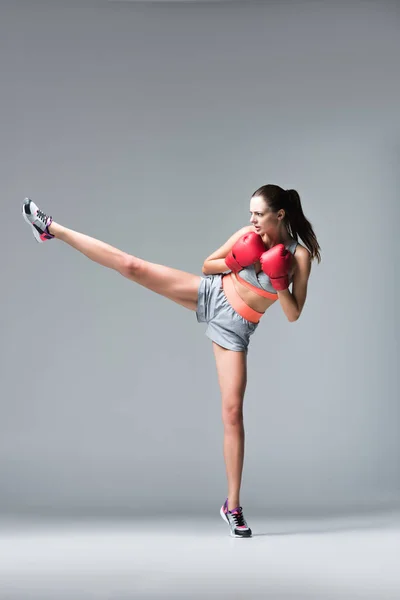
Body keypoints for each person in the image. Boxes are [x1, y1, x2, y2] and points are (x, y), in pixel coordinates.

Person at [22, 184, 321, 538]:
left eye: (258, 214)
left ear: (279, 215)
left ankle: (233, 507)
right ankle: (50, 228)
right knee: (132, 266)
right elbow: (208, 265)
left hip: (236, 328)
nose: (252, 220)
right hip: (212, 293)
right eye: (251, 213)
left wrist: (278, 281)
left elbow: (293, 314)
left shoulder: (298, 256)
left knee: (232, 414)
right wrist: (240, 260)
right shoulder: (246, 235)